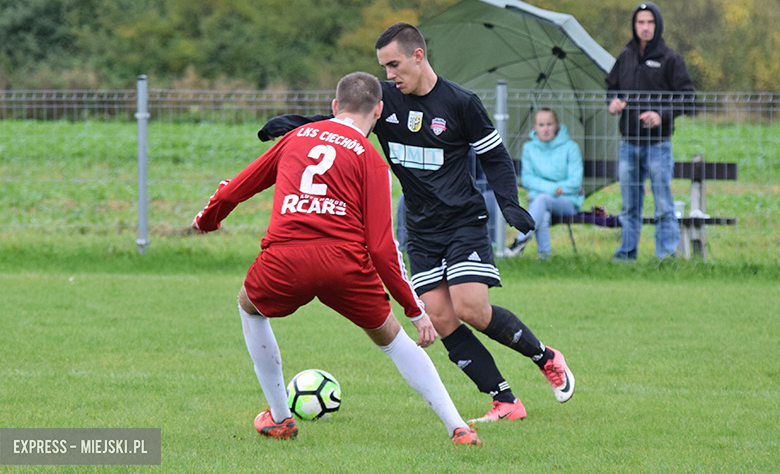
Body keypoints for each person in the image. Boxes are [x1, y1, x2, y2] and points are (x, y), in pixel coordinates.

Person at [258, 23, 575, 422]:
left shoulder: (461, 103)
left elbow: (495, 158)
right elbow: (343, 124)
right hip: (420, 227)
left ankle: (545, 357)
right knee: (441, 317)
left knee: (471, 307)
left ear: (418, 56)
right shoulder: (385, 101)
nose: (388, 76)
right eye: (383, 68)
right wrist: (297, 124)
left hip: (463, 220)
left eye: (393, 65)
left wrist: (509, 205)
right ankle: (505, 401)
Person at [191, 72, 481, 445]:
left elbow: (236, 189)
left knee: (250, 308)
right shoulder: (372, 160)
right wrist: (413, 310)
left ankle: (280, 419)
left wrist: (207, 219)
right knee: (393, 340)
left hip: (287, 256)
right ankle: (457, 427)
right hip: (344, 264)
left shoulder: (296, 137)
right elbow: (381, 247)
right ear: (378, 110)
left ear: (334, 107)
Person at [606, 2, 695, 261]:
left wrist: (661, 115)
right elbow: (610, 87)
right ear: (634, 26)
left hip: (658, 144)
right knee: (629, 205)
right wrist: (613, 101)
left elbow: (687, 97)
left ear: (658, 25)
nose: (645, 28)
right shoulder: (625, 56)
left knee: (664, 204)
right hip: (628, 144)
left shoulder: (671, 59)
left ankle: (666, 256)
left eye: (650, 22)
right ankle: (626, 254)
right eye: (640, 22)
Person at [507, 108, 583, 259]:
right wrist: (554, 188)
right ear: (534, 127)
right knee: (543, 212)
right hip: (542, 201)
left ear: (557, 126)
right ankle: (545, 258)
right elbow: (527, 179)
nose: (546, 129)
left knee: (541, 200)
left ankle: (521, 239)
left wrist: (540, 191)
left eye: (550, 124)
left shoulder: (571, 147)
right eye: (541, 125)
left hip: (568, 201)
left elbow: (575, 182)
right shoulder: (528, 148)